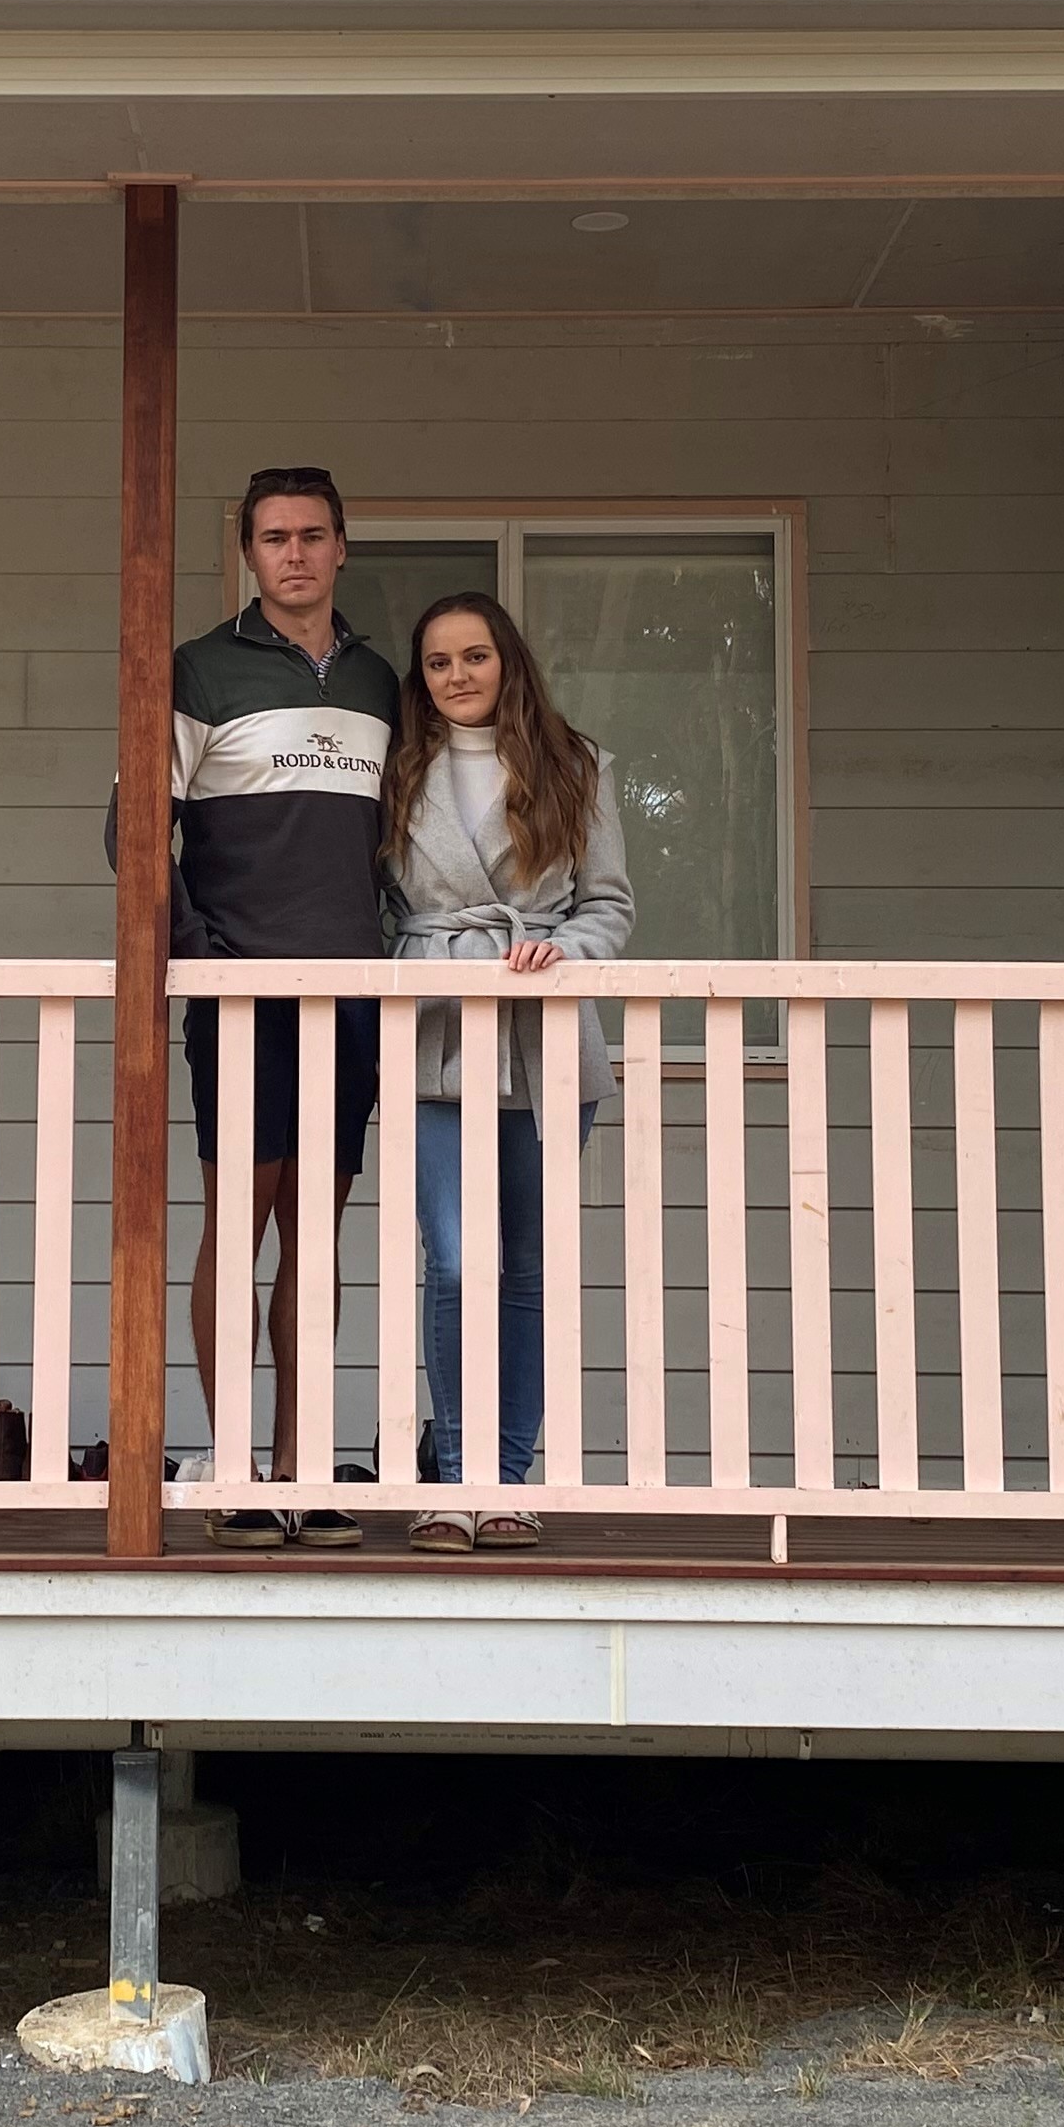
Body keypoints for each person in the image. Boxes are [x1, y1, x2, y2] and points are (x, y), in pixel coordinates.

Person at [108, 464, 398, 1545]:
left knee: (310, 1238)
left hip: (351, 993)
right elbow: (134, 829)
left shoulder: (379, 681)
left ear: (341, 547)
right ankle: (236, 1467)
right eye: (274, 537)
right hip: (240, 994)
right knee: (240, 1226)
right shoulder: (199, 669)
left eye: (314, 535)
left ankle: (303, 1465)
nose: (295, 554)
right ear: (248, 552)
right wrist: (198, 952)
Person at [380, 591, 632, 1551]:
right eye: (438, 662)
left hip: (540, 1040)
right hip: (436, 1040)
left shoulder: (577, 764)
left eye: (474, 657)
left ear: (508, 662)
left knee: (521, 1265)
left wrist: (561, 953)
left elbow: (608, 903)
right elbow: (373, 908)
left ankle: (509, 1483)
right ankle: (454, 1480)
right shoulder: (398, 771)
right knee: (454, 1260)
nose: (457, 677)